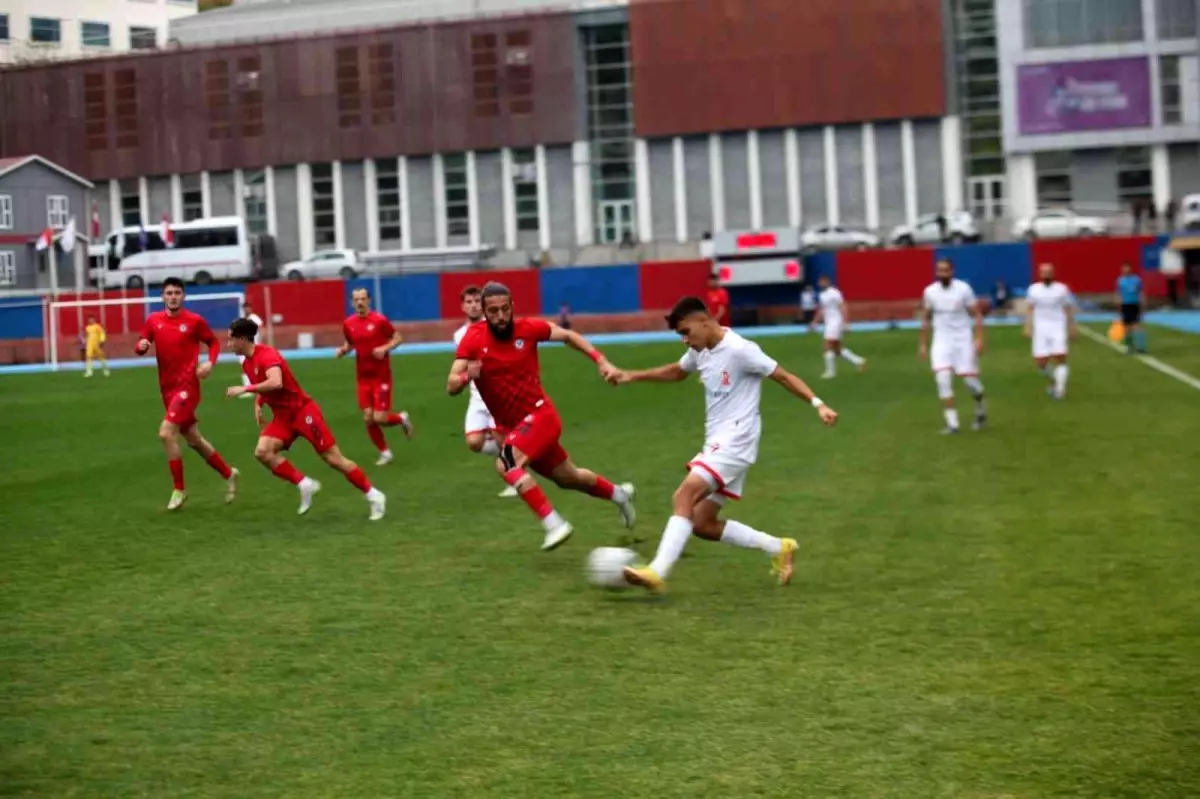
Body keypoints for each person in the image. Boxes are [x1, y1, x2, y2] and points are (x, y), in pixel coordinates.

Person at [608, 296, 838, 593]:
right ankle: (779, 547)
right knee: (702, 523)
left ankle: (656, 571)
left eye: (686, 332)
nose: (684, 340)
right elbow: (677, 372)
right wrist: (631, 375)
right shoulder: (701, 350)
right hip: (719, 441)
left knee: (684, 496)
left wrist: (818, 404)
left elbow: (782, 376)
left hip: (736, 440)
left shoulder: (741, 350)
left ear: (705, 321)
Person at [448, 281, 636, 551]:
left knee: (506, 464)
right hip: (516, 427)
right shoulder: (473, 339)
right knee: (569, 478)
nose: (500, 317)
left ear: (513, 306)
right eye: (493, 311)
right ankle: (620, 495)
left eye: (504, 309)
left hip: (540, 415)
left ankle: (554, 524)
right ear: (485, 312)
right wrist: (469, 374)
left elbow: (568, 336)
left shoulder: (529, 328)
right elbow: (451, 384)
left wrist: (601, 360)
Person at [226, 318, 386, 521]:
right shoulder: (248, 363)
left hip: (303, 413)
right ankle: (304, 484)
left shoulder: (267, 354)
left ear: (242, 339)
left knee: (333, 459)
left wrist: (245, 389)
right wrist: (259, 402)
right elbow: (265, 385)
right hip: (283, 418)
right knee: (263, 451)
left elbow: (276, 382)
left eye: (231, 340)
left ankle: (374, 496)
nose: (229, 344)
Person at [134, 277, 239, 510]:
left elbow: (213, 342)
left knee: (165, 433)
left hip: (188, 388)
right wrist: (140, 347)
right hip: (167, 390)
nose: (173, 297)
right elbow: (141, 342)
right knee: (193, 439)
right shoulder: (153, 320)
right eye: (169, 293)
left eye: (177, 293)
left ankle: (179, 490)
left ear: (183, 296)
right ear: (162, 296)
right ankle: (229, 473)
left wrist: (210, 363)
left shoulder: (194, 321)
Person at [452, 285, 516, 499]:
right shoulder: (459, 335)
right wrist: (465, 376)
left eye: (476, 301)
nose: (473, 306)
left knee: (500, 437)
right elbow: (462, 365)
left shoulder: (494, 327)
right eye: (468, 302)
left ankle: (514, 478)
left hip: (496, 393)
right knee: (474, 443)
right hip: (476, 395)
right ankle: (513, 455)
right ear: (462, 306)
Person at [336, 288, 412, 466]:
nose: (360, 302)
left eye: (363, 299)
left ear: (369, 300)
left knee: (380, 418)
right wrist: (343, 351)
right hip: (363, 378)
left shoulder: (379, 320)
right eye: (356, 300)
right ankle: (385, 453)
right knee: (368, 417)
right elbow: (350, 343)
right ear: (352, 303)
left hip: (381, 377)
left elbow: (398, 338)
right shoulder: (349, 323)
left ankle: (401, 418)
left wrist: (384, 348)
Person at [919, 259, 987, 434]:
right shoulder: (930, 292)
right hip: (941, 340)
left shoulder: (963, 289)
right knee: (942, 379)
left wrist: (979, 339)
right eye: (939, 271)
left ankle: (980, 408)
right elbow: (925, 318)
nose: (942, 274)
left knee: (970, 382)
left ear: (952, 271)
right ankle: (952, 424)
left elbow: (977, 315)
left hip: (963, 339)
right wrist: (923, 344)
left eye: (945, 271)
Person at [1024, 263, 1077, 400]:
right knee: (1040, 363)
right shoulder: (1033, 289)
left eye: (1049, 272)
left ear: (1053, 273)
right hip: (1040, 328)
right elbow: (1030, 308)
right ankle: (1056, 381)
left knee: (1060, 357)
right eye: (1043, 272)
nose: (1046, 274)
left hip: (1058, 326)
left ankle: (1060, 389)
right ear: (1040, 274)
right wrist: (1027, 326)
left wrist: (1072, 326)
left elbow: (1068, 308)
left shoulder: (1061, 289)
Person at [810, 274, 867, 379]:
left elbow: (843, 306)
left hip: (835, 322)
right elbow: (821, 310)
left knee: (827, 346)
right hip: (829, 323)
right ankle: (859, 361)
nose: (820, 284)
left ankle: (830, 372)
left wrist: (846, 322)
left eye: (822, 281)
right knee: (837, 349)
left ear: (827, 282)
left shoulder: (834, 293)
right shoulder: (822, 295)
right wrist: (814, 322)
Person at [1116, 263, 1147, 354]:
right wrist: (1118, 305)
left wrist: (1143, 304)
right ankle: (1129, 346)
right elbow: (1119, 293)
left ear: (1130, 269)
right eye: (1124, 268)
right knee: (1127, 327)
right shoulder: (1120, 280)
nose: (1125, 270)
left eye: (1127, 268)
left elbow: (1141, 292)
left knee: (1138, 326)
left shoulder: (1136, 280)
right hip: (1125, 305)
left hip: (1135, 304)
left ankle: (1141, 347)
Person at [237, 301, 265, 393]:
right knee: (244, 366)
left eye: (248, 307)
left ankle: (259, 386)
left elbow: (261, 328)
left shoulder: (254, 318)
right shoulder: (242, 320)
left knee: (256, 367)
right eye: (245, 307)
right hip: (243, 347)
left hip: (253, 347)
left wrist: (261, 341)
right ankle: (248, 387)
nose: (246, 309)